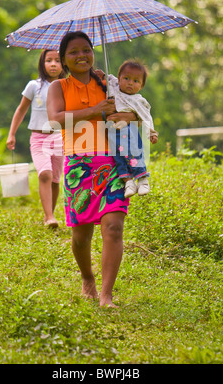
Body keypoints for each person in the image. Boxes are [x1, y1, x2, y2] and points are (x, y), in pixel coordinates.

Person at [47, 31, 139, 308]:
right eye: (73, 52)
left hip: (112, 161)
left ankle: (106, 295)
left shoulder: (107, 82)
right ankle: (88, 277)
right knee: (81, 234)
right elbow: (55, 120)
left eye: (86, 50)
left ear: (93, 53)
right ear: (64, 59)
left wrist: (128, 114)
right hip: (79, 163)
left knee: (113, 227)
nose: (81, 55)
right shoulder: (58, 88)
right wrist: (96, 111)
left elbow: (136, 106)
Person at [6, 49, 65, 228]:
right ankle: (48, 216)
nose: (53, 64)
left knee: (55, 179)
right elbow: (21, 109)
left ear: (64, 64)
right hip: (39, 137)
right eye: (49, 60)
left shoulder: (67, 85)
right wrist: (12, 133)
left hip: (59, 137)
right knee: (45, 174)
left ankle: (51, 214)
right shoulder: (34, 86)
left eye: (57, 60)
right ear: (42, 64)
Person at [104, 60, 158, 198]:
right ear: (120, 78)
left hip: (128, 132)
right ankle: (128, 182)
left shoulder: (138, 101)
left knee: (134, 153)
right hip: (112, 133)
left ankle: (142, 179)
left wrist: (151, 132)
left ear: (141, 85)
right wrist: (101, 74)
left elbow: (147, 117)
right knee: (118, 158)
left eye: (135, 81)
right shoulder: (114, 88)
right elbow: (109, 78)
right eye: (126, 78)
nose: (130, 83)